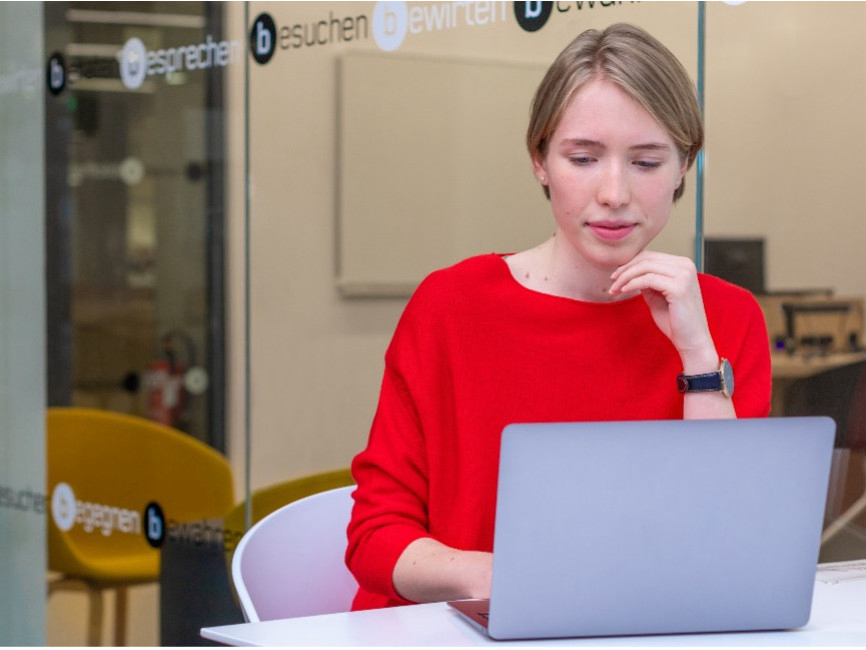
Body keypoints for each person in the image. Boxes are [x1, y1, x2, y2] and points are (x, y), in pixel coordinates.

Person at [345, 23, 771, 611]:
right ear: (539, 161)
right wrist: (512, 578)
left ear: (682, 169)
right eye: (583, 158)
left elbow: (730, 540)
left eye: (646, 162)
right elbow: (375, 539)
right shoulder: (451, 305)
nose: (614, 192)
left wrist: (699, 359)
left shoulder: (727, 317)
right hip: (457, 630)